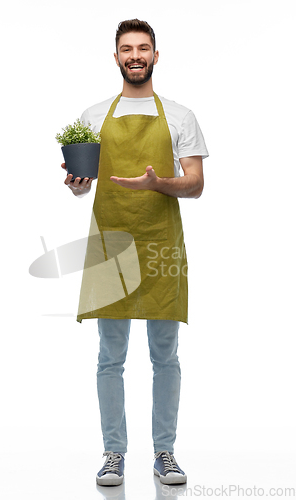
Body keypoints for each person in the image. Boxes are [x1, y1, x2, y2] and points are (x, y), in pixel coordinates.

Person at [61, 19, 209, 486]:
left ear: (156, 56)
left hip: (161, 241)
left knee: (165, 354)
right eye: (127, 48)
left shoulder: (181, 116)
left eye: (144, 48)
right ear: (116, 56)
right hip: (111, 241)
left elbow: (197, 184)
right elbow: (82, 189)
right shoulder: (91, 115)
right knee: (111, 354)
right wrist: (77, 184)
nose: (135, 55)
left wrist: (157, 183)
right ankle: (113, 452)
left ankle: (164, 451)